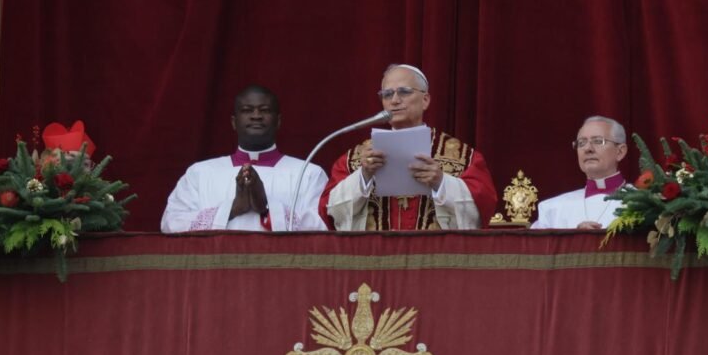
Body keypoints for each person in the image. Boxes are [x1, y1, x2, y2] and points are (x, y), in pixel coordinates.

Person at [320, 64, 497, 230]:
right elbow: (329, 213)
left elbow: (483, 208)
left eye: (404, 92)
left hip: (436, 260)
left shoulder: (463, 157)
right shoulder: (356, 160)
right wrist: (363, 176)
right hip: (375, 259)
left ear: (425, 100)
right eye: (387, 94)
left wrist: (441, 183)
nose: (395, 100)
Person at [161, 84, 327, 232]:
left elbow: (325, 227)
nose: (256, 116)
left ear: (278, 121)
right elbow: (171, 223)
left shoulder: (309, 174)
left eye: (265, 110)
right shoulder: (199, 173)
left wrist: (267, 207)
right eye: (247, 110)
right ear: (234, 122)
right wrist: (232, 209)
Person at [531, 116, 629, 230]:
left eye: (598, 141)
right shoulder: (552, 209)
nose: (588, 148)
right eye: (581, 143)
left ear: (620, 151)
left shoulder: (647, 206)